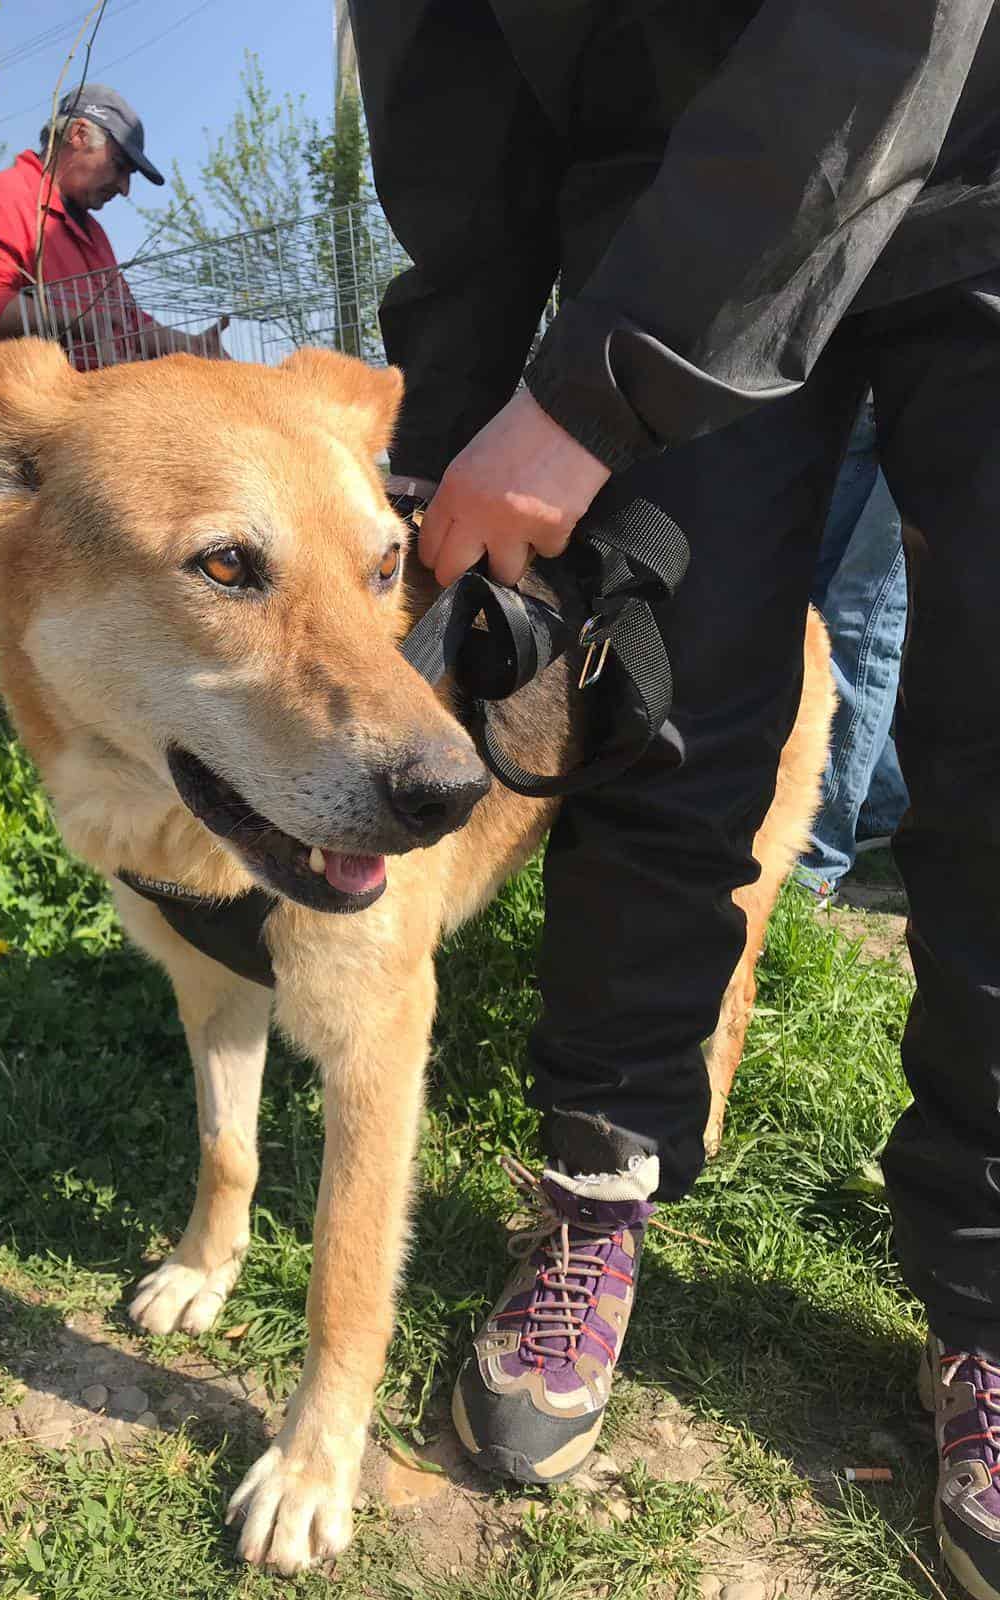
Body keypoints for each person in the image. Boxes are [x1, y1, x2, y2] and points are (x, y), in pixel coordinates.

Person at [350, 3, 1000, 1593]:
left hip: (982, 153)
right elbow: (455, 124)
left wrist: (592, 397)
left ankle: (989, 1304)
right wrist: (445, 441)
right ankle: (594, 1193)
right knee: (655, 710)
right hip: (661, 191)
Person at [0, 84, 225, 368]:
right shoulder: (2, 197)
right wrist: (82, 322)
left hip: (95, 396)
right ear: (79, 134)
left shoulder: (94, 233)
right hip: (29, 396)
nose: (125, 188)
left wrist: (193, 346)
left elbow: (126, 322)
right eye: (119, 165)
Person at [795, 398, 910, 903]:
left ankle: (814, 857)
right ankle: (880, 805)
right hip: (875, 375)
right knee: (812, 603)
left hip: (961, 381)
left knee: (862, 619)